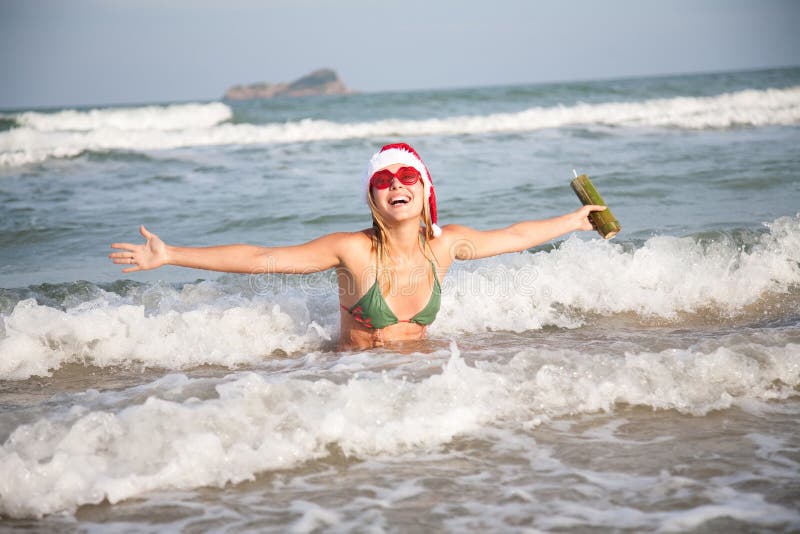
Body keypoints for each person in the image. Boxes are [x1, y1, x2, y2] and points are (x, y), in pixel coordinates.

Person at [110, 142, 604, 350]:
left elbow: (515, 237)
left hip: (422, 377)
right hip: (354, 385)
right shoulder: (353, 251)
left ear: (426, 188)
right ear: (372, 196)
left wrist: (574, 220)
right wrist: (171, 254)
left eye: (408, 175)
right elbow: (264, 258)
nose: (397, 183)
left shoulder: (446, 246)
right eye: (383, 179)